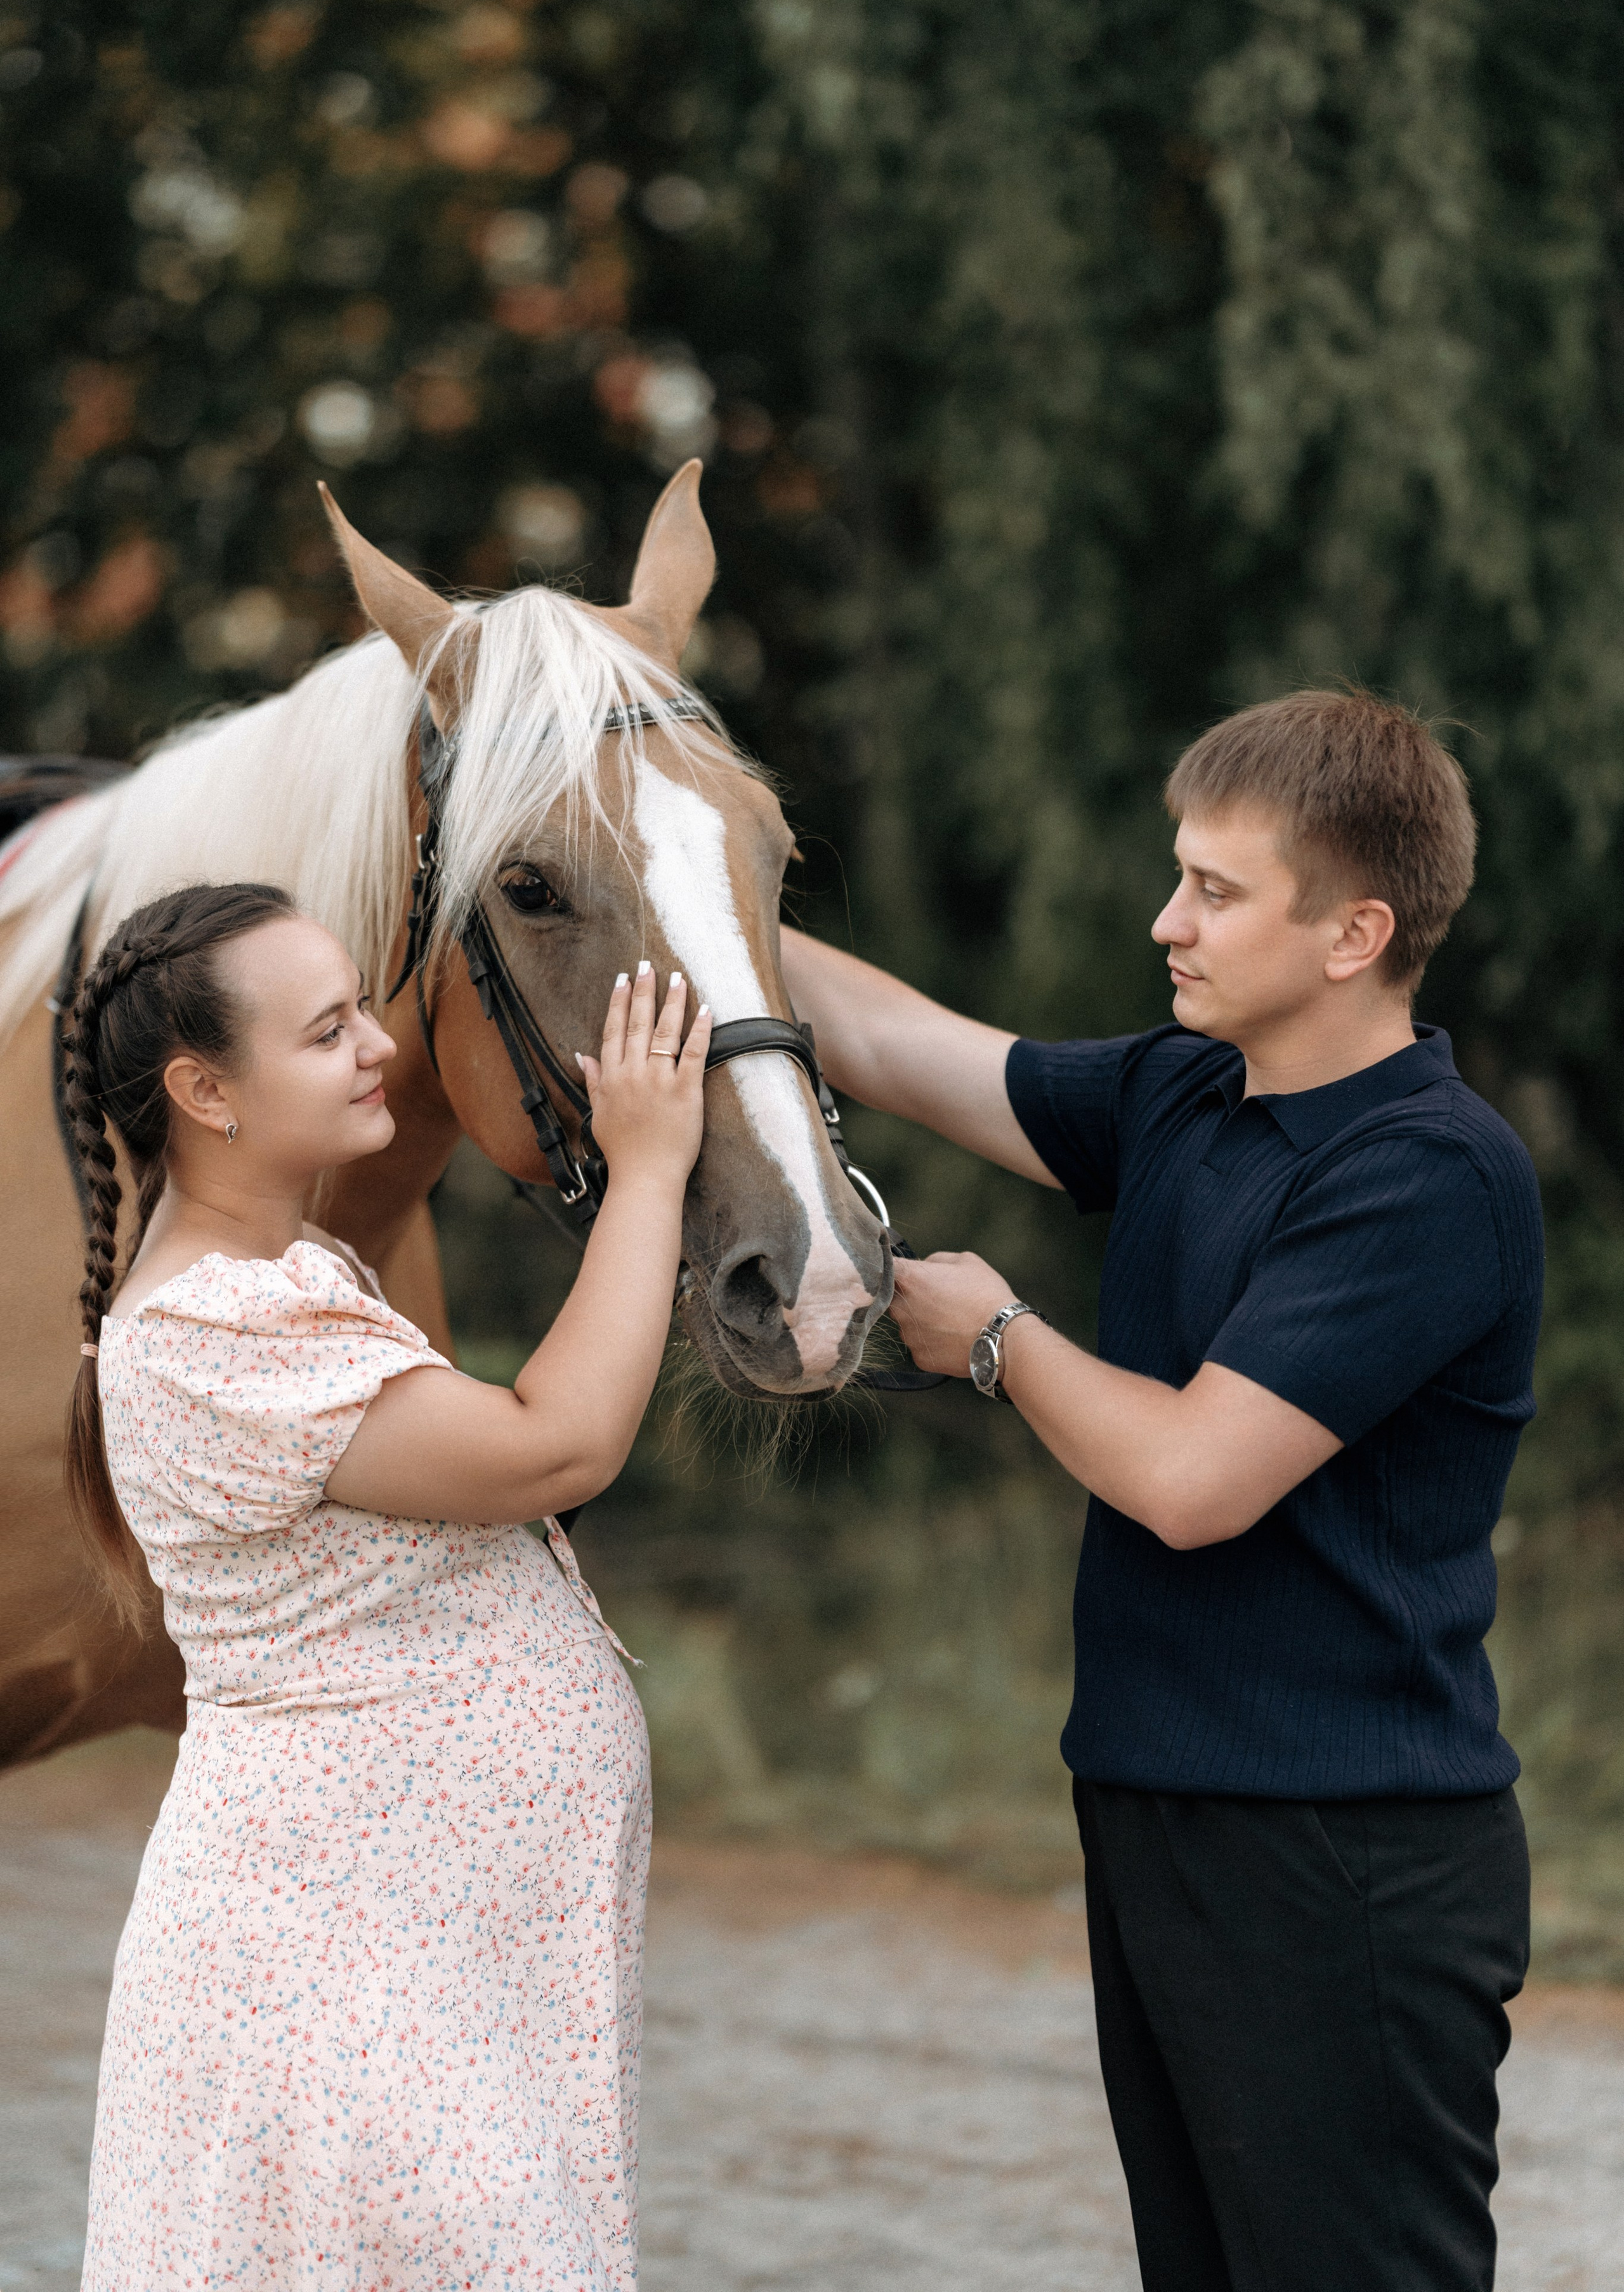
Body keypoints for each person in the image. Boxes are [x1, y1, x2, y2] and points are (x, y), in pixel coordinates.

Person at [782, 688, 1542, 2292]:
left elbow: (1196, 1480)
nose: (1164, 922)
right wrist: (665, 873)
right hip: (1157, 1810)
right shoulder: (1184, 1091)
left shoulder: (1424, 1169)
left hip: (1342, 1859)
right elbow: (894, 1046)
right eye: (1174, 876)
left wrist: (998, 1340)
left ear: (1352, 935)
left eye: (1213, 890)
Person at [67, 880, 709, 2291]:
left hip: (402, 1961)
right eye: (325, 1032)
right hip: (332, 1978)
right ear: (204, 1092)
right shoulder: (214, 1331)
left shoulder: (285, 1273)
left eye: (362, 1008)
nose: (377, 1045)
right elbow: (554, 1445)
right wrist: (650, 1170)